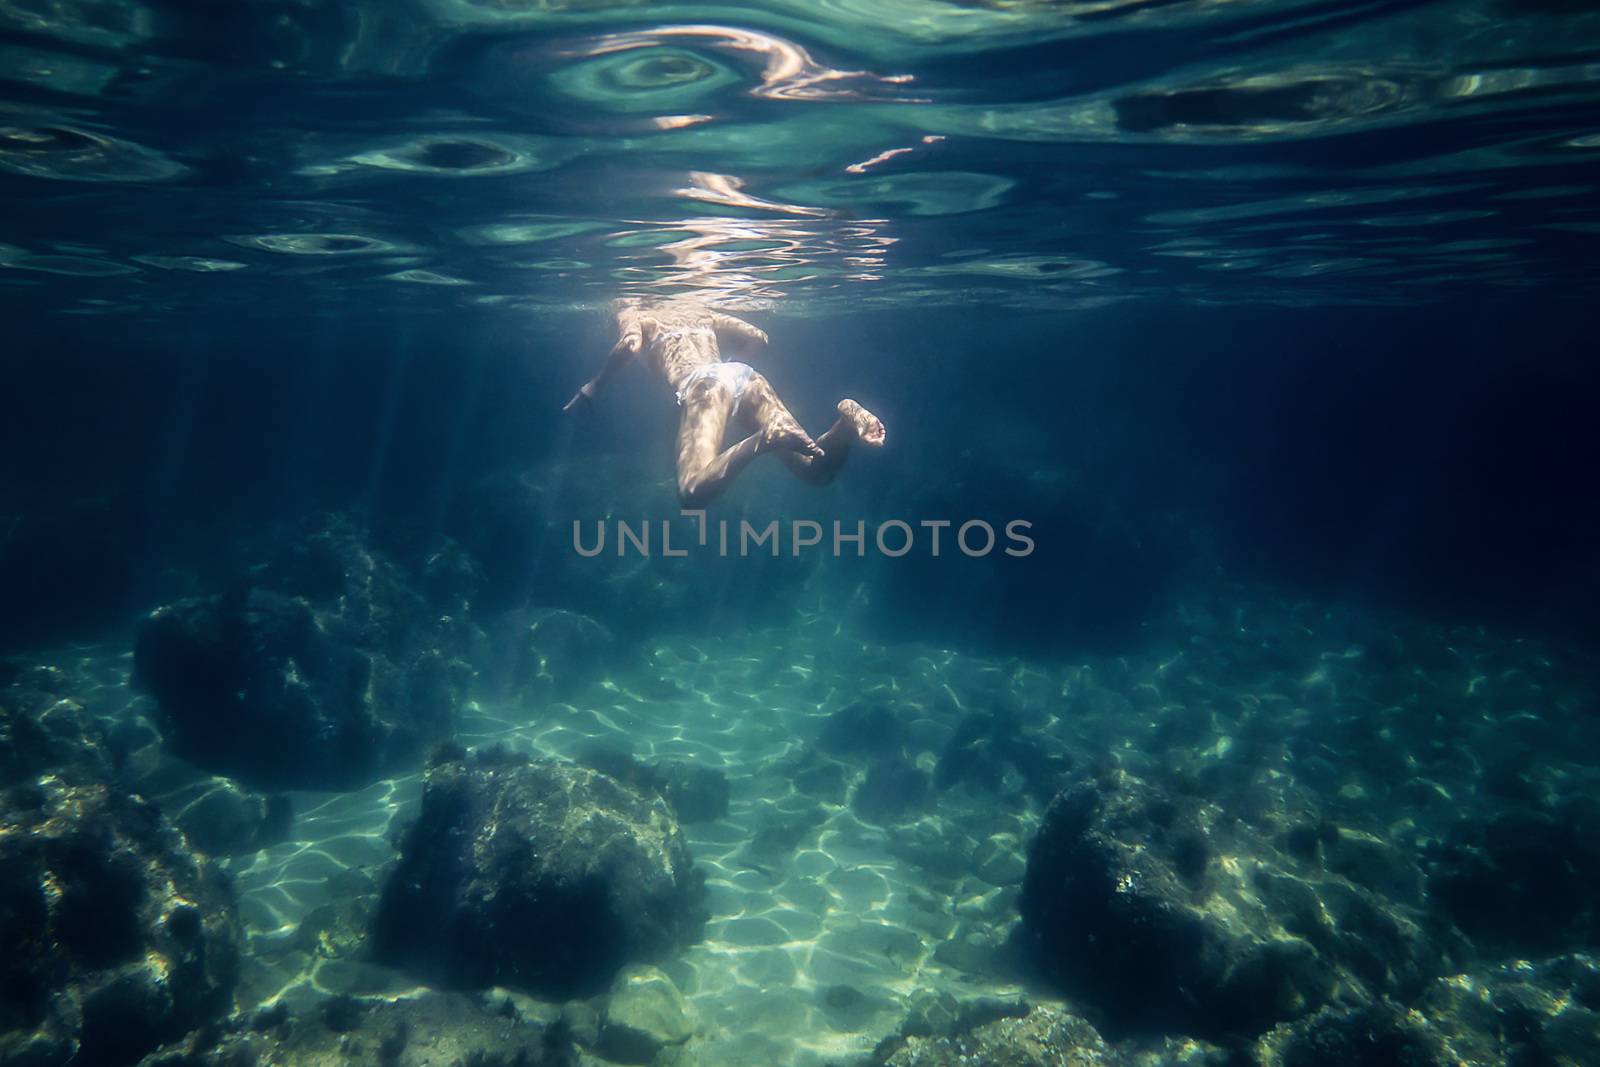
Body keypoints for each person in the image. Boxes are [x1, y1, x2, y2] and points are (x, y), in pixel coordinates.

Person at [564, 299, 885, 506]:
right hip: (743, 375)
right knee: (815, 472)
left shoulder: (635, 313)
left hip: (704, 386)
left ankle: (764, 441)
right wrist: (729, 376)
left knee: (690, 493)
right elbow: (758, 336)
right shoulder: (696, 308)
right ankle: (846, 421)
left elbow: (630, 345)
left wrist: (594, 385)